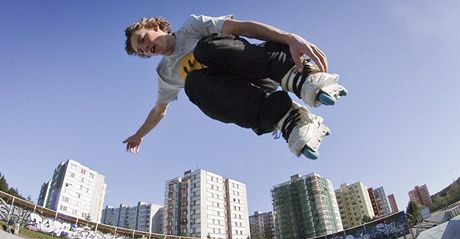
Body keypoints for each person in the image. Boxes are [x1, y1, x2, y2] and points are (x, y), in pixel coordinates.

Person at [123, 15, 347, 159]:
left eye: (142, 40)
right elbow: (159, 110)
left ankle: (296, 74)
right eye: (141, 51)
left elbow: (243, 28)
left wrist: (289, 38)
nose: (145, 48)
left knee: (205, 49)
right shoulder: (165, 72)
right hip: (248, 96)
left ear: (154, 26)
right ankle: (286, 116)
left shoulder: (192, 27)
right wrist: (138, 135)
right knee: (193, 83)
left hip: (259, 68)